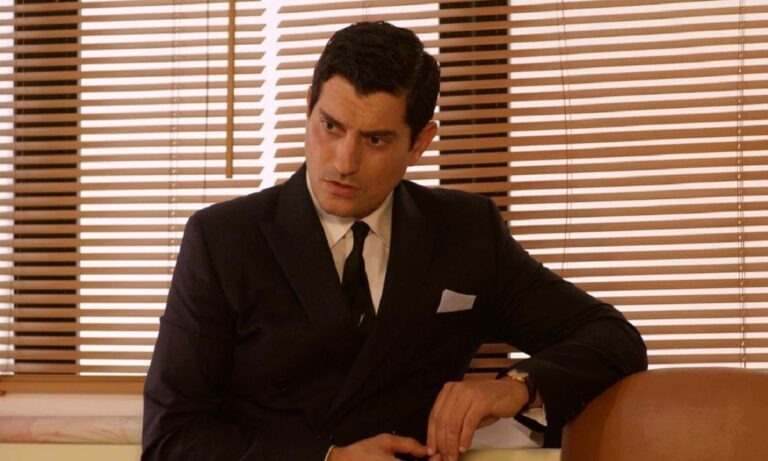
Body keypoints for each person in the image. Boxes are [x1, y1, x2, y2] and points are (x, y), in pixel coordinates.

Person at [142, 21, 647, 461]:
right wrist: (327, 459)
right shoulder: (223, 239)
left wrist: (516, 387)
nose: (344, 162)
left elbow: (612, 339)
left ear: (420, 143)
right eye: (331, 126)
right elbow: (171, 438)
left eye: (376, 139)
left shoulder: (466, 230)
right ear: (308, 108)